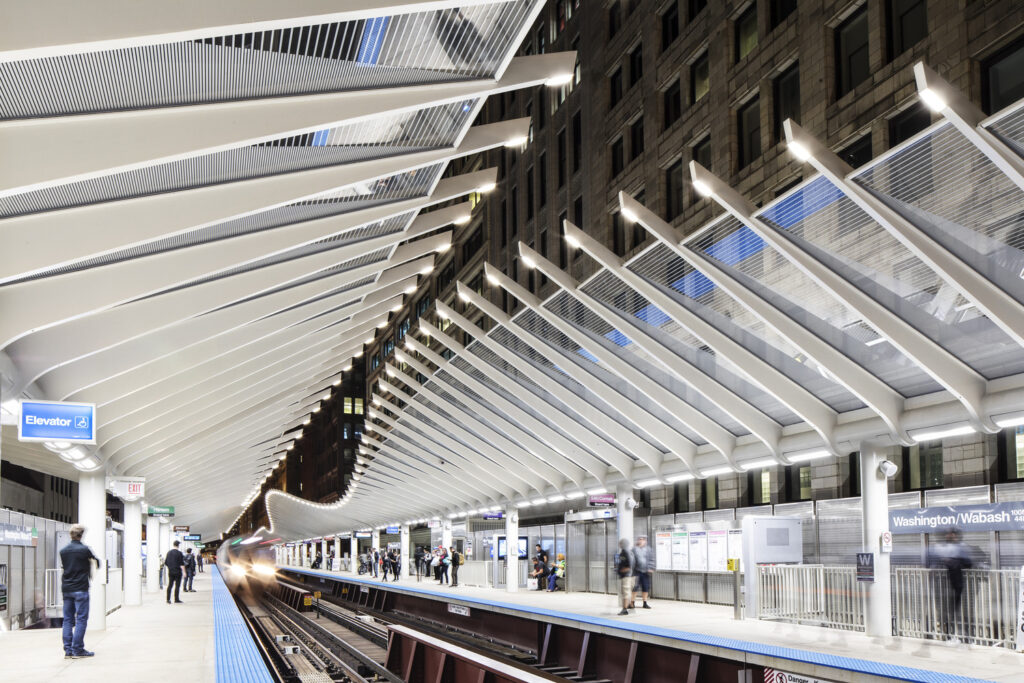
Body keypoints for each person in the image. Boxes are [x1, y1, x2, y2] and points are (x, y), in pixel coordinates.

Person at [59, 524, 100, 659]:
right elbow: (96, 560)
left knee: (67, 620)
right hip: (81, 588)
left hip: (67, 588)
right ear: (81, 535)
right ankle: (78, 649)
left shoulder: (63, 551)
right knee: (81, 619)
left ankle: (68, 651)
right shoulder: (84, 549)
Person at [929, 527, 974, 643]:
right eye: (949, 534)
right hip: (943, 586)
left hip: (955, 585)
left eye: (952, 534)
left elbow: (968, 563)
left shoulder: (960, 548)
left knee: (955, 610)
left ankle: (958, 635)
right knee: (946, 611)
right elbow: (931, 563)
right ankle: (948, 635)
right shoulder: (939, 548)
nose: (950, 536)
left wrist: (953, 561)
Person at [630, 535, 654, 609]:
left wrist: (651, 567)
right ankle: (632, 603)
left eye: (643, 539)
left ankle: (645, 603)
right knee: (635, 587)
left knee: (645, 587)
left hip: (646, 571)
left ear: (645, 541)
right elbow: (631, 559)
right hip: (636, 571)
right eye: (640, 539)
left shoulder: (648, 549)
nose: (641, 541)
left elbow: (652, 559)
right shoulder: (634, 549)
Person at [615, 538, 634, 616]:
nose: (619, 545)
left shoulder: (626, 552)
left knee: (625, 592)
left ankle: (625, 609)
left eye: (620, 543)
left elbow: (629, 565)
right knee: (626, 592)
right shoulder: (626, 552)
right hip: (627, 575)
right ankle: (629, 607)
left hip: (626, 576)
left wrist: (622, 570)